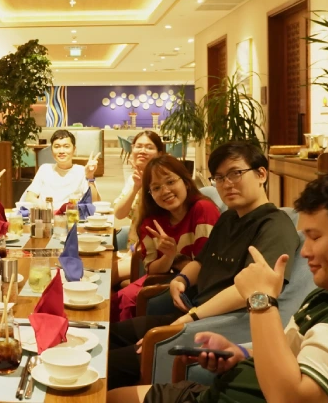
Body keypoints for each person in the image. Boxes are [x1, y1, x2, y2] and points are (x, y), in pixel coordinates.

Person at [109, 171, 328, 403]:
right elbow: (294, 355)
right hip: (216, 391)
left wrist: (260, 300)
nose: (305, 252)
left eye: (315, 237)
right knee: (110, 393)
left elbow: (293, 399)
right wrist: (239, 352)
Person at [107, 141, 299, 390]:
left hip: (215, 325)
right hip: (192, 311)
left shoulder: (274, 226)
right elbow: (202, 260)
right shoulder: (229, 217)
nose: (227, 184)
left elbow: (252, 291)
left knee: (106, 365)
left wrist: (190, 318)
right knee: (109, 333)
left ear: (261, 174)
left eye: (235, 173)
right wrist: (182, 279)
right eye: (219, 177)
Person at [113, 154, 220, 321]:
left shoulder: (203, 210)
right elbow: (152, 269)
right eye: (156, 188)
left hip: (196, 288)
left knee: (126, 301)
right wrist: (169, 257)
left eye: (170, 182)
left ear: (185, 181)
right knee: (113, 302)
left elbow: (205, 267)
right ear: (150, 193)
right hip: (165, 278)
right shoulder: (151, 221)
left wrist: (176, 260)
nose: (165, 191)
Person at [112, 130, 166, 281]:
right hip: (134, 247)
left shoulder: (163, 181)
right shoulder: (134, 178)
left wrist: (146, 186)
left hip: (153, 253)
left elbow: (157, 221)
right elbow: (119, 214)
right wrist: (136, 186)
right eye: (138, 146)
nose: (142, 151)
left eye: (149, 147)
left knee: (106, 274)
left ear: (159, 153)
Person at [21, 129, 100, 205]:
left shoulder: (82, 171)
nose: (61, 151)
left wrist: (90, 177)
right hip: (47, 213)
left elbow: (94, 202)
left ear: (74, 149)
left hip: (71, 213)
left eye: (66, 146)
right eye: (57, 147)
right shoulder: (45, 169)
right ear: (51, 150)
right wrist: (41, 205)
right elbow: (29, 197)